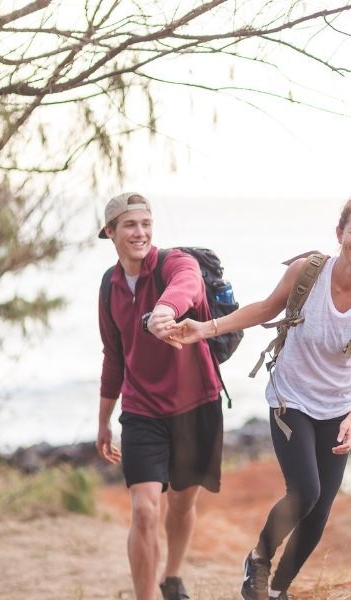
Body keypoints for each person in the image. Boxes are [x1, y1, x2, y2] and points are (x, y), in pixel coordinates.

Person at [166, 196, 351, 600]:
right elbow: (264, 309)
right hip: (290, 398)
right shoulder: (307, 272)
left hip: (339, 408)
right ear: (339, 233)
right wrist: (206, 329)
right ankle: (258, 559)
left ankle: (278, 590)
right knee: (305, 492)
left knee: (320, 511)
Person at [95, 192, 224, 600]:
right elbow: (114, 356)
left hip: (196, 402)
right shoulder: (109, 286)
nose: (141, 232)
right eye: (130, 225)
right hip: (141, 408)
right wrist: (103, 421)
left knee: (182, 505)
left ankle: (172, 576)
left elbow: (190, 284)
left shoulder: (174, 263)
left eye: (146, 224)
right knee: (144, 509)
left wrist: (166, 309)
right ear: (110, 232)